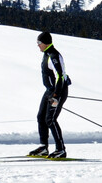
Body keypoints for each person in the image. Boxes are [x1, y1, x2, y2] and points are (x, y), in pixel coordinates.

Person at [29, 31, 71, 159]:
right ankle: (43, 147)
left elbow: (60, 76)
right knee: (41, 117)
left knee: (50, 119)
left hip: (58, 92)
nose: (38, 45)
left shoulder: (53, 55)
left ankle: (61, 149)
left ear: (46, 43)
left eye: (39, 43)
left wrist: (57, 94)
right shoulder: (46, 54)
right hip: (49, 91)